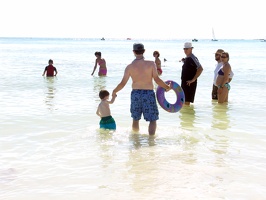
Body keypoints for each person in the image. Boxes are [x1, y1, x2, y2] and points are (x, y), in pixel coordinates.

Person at [112, 43, 171, 135]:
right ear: (144, 51)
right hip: (148, 93)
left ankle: (136, 141)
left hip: (135, 94)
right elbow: (157, 79)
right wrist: (167, 87)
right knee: (152, 119)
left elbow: (123, 83)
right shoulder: (151, 64)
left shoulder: (129, 67)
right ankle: (151, 142)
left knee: (135, 119)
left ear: (134, 52)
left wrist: (114, 91)